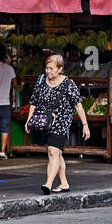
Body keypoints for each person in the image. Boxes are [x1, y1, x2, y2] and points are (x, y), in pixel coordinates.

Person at [23, 53, 89, 194]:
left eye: (51, 69)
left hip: (61, 121)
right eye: (47, 68)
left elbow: (78, 105)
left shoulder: (68, 84)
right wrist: (29, 120)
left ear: (60, 69)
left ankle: (48, 184)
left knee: (53, 151)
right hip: (44, 121)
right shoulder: (41, 81)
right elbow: (33, 102)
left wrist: (85, 125)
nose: (48, 71)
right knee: (56, 154)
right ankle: (64, 183)